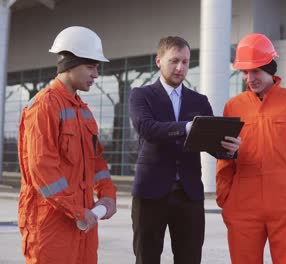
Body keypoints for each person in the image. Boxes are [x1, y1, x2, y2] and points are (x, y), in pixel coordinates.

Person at [128, 36, 241, 264]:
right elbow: (147, 128)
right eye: (174, 60)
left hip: (189, 195)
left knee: (190, 258)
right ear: (159, 61)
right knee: (146, 258)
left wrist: (229, 149)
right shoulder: (141, 95)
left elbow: (212, 143)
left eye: (186, 62)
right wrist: (188, 127)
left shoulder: (199, 101)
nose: (180, 68)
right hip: (151, 193)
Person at [216, 33, 286, 264]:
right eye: (244, 72)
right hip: (242, 202)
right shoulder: (233, 106)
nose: (249, 77)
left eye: (255, 71)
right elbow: (224, 157)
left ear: (270, 68)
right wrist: (226, 196)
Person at [17, 26, 117, 264]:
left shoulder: (83, 111)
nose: (96, 75)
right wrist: (77, 210)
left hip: (83, 222)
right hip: (51, 224)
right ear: (71, 64)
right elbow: (43, 169)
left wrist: (107, 194)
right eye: (91, 67)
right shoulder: (43, 106)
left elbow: (96, 162)